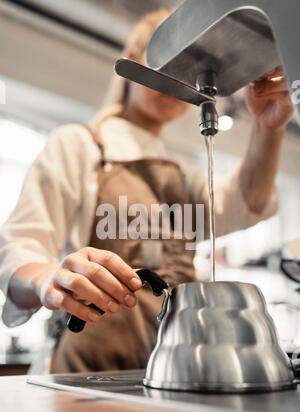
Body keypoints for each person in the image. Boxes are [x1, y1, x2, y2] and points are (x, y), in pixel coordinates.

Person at [0, 8, 294, 373]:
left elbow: (245, 204)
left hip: (175, 370)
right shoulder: (81, 146)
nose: (176, 78)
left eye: (188, 68)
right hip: (86, 372)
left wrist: (269, 128)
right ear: (133, 62)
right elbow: (17, 251)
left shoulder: (182, 175)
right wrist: (48, 279)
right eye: (166, 63)